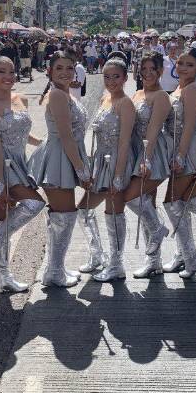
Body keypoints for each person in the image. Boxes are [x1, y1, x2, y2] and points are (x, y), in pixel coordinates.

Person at [0, 56, 44, 296]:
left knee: (8, 220)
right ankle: (0, 257)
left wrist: (43, 144)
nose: (8, 77)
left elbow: (24, 133)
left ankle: (2, 277)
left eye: (12, 71)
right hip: (1, 165)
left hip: (21, 163)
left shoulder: (22, 99)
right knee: (27, 206)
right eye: (2, 72)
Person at [28, 51, 90, 287]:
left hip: (65, 155)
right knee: (64, 215)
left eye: (69, 68)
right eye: (59, 68)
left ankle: (55, 268)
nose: (65, 72)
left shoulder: (64, 94)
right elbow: (65, 136)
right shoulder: (56, 95)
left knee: (62, 215)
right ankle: (54, 272)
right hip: (59, 158)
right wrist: (81, 169)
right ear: (50, 71)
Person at [75, 53, 136, 282]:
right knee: (83, 209)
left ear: (125, 78)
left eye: (116, 77)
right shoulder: (104, 99)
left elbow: (125, 141)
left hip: (116, 162)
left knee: (113, 212)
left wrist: (118, 175)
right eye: (107, 77)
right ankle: (97, 255)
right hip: (100, 161)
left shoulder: (125, 103)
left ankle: (116, 265)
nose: (111, 81)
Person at [122, 51, 172, 278]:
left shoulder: (161, 96)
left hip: (152, 151)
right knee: (147, 203)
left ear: (161, 71)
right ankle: (154, 262)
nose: (148, 73)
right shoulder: (138, 93)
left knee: (132, 197)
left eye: (153, 69)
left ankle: (158, 229)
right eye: (144, 69)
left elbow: (153, 129)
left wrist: (146, 158)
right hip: (135, 150)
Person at [162, 50, 196, 279]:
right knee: (179, 202)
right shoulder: (179, 88)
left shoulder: (192, 89)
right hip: (178, 145)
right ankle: (184, 253)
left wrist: (181, 155)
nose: (182, 67)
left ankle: (190, 256)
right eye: (180, 63)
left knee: (172, 201)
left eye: (189, 65)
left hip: (189, 146)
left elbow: (190, 125)